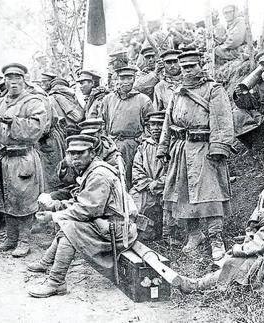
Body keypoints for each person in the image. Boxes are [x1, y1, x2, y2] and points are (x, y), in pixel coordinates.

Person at [176, 150, 264, 293]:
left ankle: (197, 286)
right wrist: (250, 237)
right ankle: (205, 283)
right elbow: (255, 219)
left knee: (248, 263)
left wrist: (242, 249)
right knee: (238, 259)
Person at [27, 134, 138, 298]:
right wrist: (57, 207)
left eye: (81, 153)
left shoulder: (99, 175)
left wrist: (54, 215)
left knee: (70, 228)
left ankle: (56, 282)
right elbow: (82, 203)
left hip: (117, 230)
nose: (75, 157)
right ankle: (47, 264)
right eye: (72, 153)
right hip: (106, 223)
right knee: (68, 223)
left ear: (92, 153)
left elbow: (86, 211)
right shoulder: (91, 170)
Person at [157, 51, 235, 262]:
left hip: (204, 149)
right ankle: (194, 234)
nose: (187, 70)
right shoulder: (177, 93)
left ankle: (216, 239)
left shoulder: (214, 89)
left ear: (201, 65)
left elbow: (223, 120)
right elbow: (167, 123)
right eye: (184, 68)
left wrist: (219, 147)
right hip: (180, 149)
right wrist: (163, 148)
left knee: (210, 194)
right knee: (182, 193)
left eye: (192, 66)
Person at [0, 63, 48, 257]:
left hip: (23, 157)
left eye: (17, 78)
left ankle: (24, 240)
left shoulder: (34, 102)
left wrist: (13, 122)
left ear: (24, 80)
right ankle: (10, 238)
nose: (13, 82)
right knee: (7, 198)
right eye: (9, 78)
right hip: (4, 158)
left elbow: (38, 128)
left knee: (25, 200)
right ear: (4, 81)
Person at [99, 65, 154, 189]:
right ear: (117, 79)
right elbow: (101, 122)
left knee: (130, 178)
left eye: (129, 78)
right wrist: (105, 141)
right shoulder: (108, 99)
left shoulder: (143, 100)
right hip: (111, 145)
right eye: (122, 78)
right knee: (111, 178)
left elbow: (151, 124)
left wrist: (141, 142)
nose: (125, 82)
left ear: (134, 79)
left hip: (132, 146)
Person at [130, 111, 167, 241]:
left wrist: (158, 184)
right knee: (133, 200)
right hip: (146, 188)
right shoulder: (143, 147)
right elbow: (137, 170)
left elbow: (175, 172)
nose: (156, 128)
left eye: (160, 124)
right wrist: (149, 184)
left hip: (166, 189)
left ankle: (169, 234)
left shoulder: (172, 146)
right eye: (153, 124)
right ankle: (143, 233)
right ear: (148, 127)